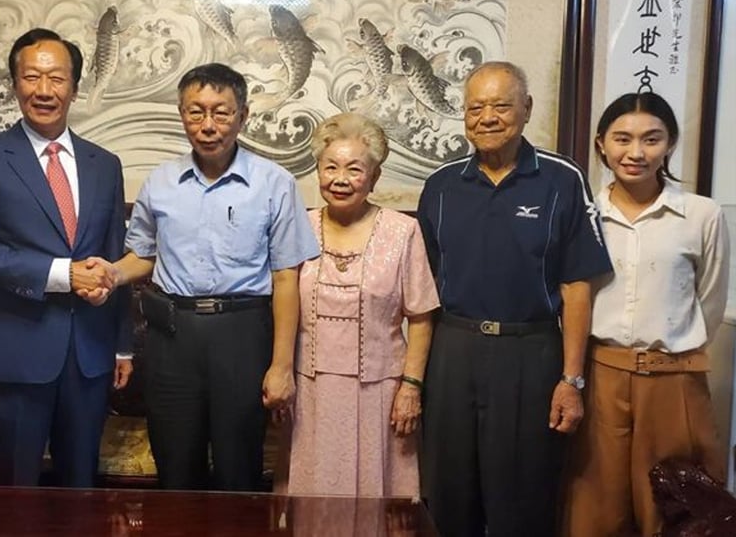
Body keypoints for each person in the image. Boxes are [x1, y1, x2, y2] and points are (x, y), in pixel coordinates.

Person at [81, 62, 319, 491]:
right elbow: (145, 257)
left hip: (243, 333)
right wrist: (112, 274)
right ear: (181, 114)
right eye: (196, 111)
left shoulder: (274, 184)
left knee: (238, 468)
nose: (208, 125)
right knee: (174, 465)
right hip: (173, 336)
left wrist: (282, 365)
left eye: (221, 112)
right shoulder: (161, 183)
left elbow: (287, 278)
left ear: (242, 116)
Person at [415, 61, 613, 537]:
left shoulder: (562, 179)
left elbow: (578, 285)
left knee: (522, 496)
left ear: (526, 109)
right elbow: (421, 288)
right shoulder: (441, 185)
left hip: (531, 351)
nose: (487, 117)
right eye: (475, 107)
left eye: (501, 106)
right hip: (454, 350)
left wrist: (572, 379)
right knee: (448, 491)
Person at [0, 28, 132, 487]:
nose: (44, 90)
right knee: (17, 490)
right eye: (31, 77)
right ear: (15, 84)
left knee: (80, 486)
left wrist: (122, 343)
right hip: (15, 349)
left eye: (57, 78)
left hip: (88, 353)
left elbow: (114, 256)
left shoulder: (103, 163)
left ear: (75, 86)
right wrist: (62, 275)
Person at [561, 93, 730, 537]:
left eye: (651, 139)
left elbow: (708, 303)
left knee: (676, 507)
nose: (636, 152)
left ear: (670, 143)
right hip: (600, 378)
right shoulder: (583, 215)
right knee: (595, 508)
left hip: (674, 382)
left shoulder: (701, 215)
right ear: (601, 144)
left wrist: (674, 353)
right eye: (622, 138)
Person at [282, 113, 440, 497]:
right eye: (330, 167)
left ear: (374, 177)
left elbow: (420, 317)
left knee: (376, 492)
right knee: (313, 489)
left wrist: (411, 388)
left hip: (381, 392)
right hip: (310, 391)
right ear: (317, 171)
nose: (340, 179)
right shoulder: (298, 226)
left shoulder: (402, 231)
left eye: (354, 169)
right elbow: (282, 307)